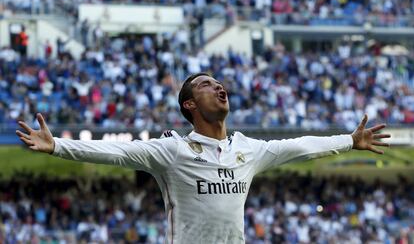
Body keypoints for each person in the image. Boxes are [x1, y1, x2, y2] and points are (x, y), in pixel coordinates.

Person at [16, 72, 390, 243]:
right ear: (190, 104)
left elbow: (298, 146)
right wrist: (59, 145)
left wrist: (347, 140)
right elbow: (117, 151)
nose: (219, 86)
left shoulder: (248, 149)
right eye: (207, 84)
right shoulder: (172, 150)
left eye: (218, 82)